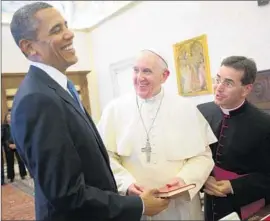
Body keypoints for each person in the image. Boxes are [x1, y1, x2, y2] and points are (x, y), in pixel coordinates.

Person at [10, 3, 169, 221]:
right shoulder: (37, 99)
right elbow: (67, 194)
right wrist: (138, 205)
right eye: (56, 30)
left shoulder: (56, 88)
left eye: (66, 25)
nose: (69, 34)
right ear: (30, 47)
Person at [97, 49, 218, 220]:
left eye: (147, 71)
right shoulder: (114, 110)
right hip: (135, 205)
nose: (140, 77)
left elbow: (203, 156)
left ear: (164, 76)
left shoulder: (185, 108)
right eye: (136, 70)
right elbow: (105, 156)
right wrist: (127, 184)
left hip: (178, 207)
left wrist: (184, 180)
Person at [197, 56, 270, 221]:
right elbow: (192, 155)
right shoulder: (201, 112)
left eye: (228, 83)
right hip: (210, 202)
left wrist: (233, 186)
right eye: (218, 79)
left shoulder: (265, 124)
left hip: (246, 205)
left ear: (246, 89)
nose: (218, 88)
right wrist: (203, 179)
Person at [2, 112, 27, 182]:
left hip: (17, 145)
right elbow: (3, 138)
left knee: (21, 160)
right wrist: (9, 145)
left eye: (11, 116)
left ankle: (23, 174)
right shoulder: (4, 127)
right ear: (6, 118)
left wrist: (16, 144)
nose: (10, 118)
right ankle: (11, 177)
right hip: (8, 146)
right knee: (10, 161)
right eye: (8, 117)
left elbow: (20, 135)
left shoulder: (16, 125)